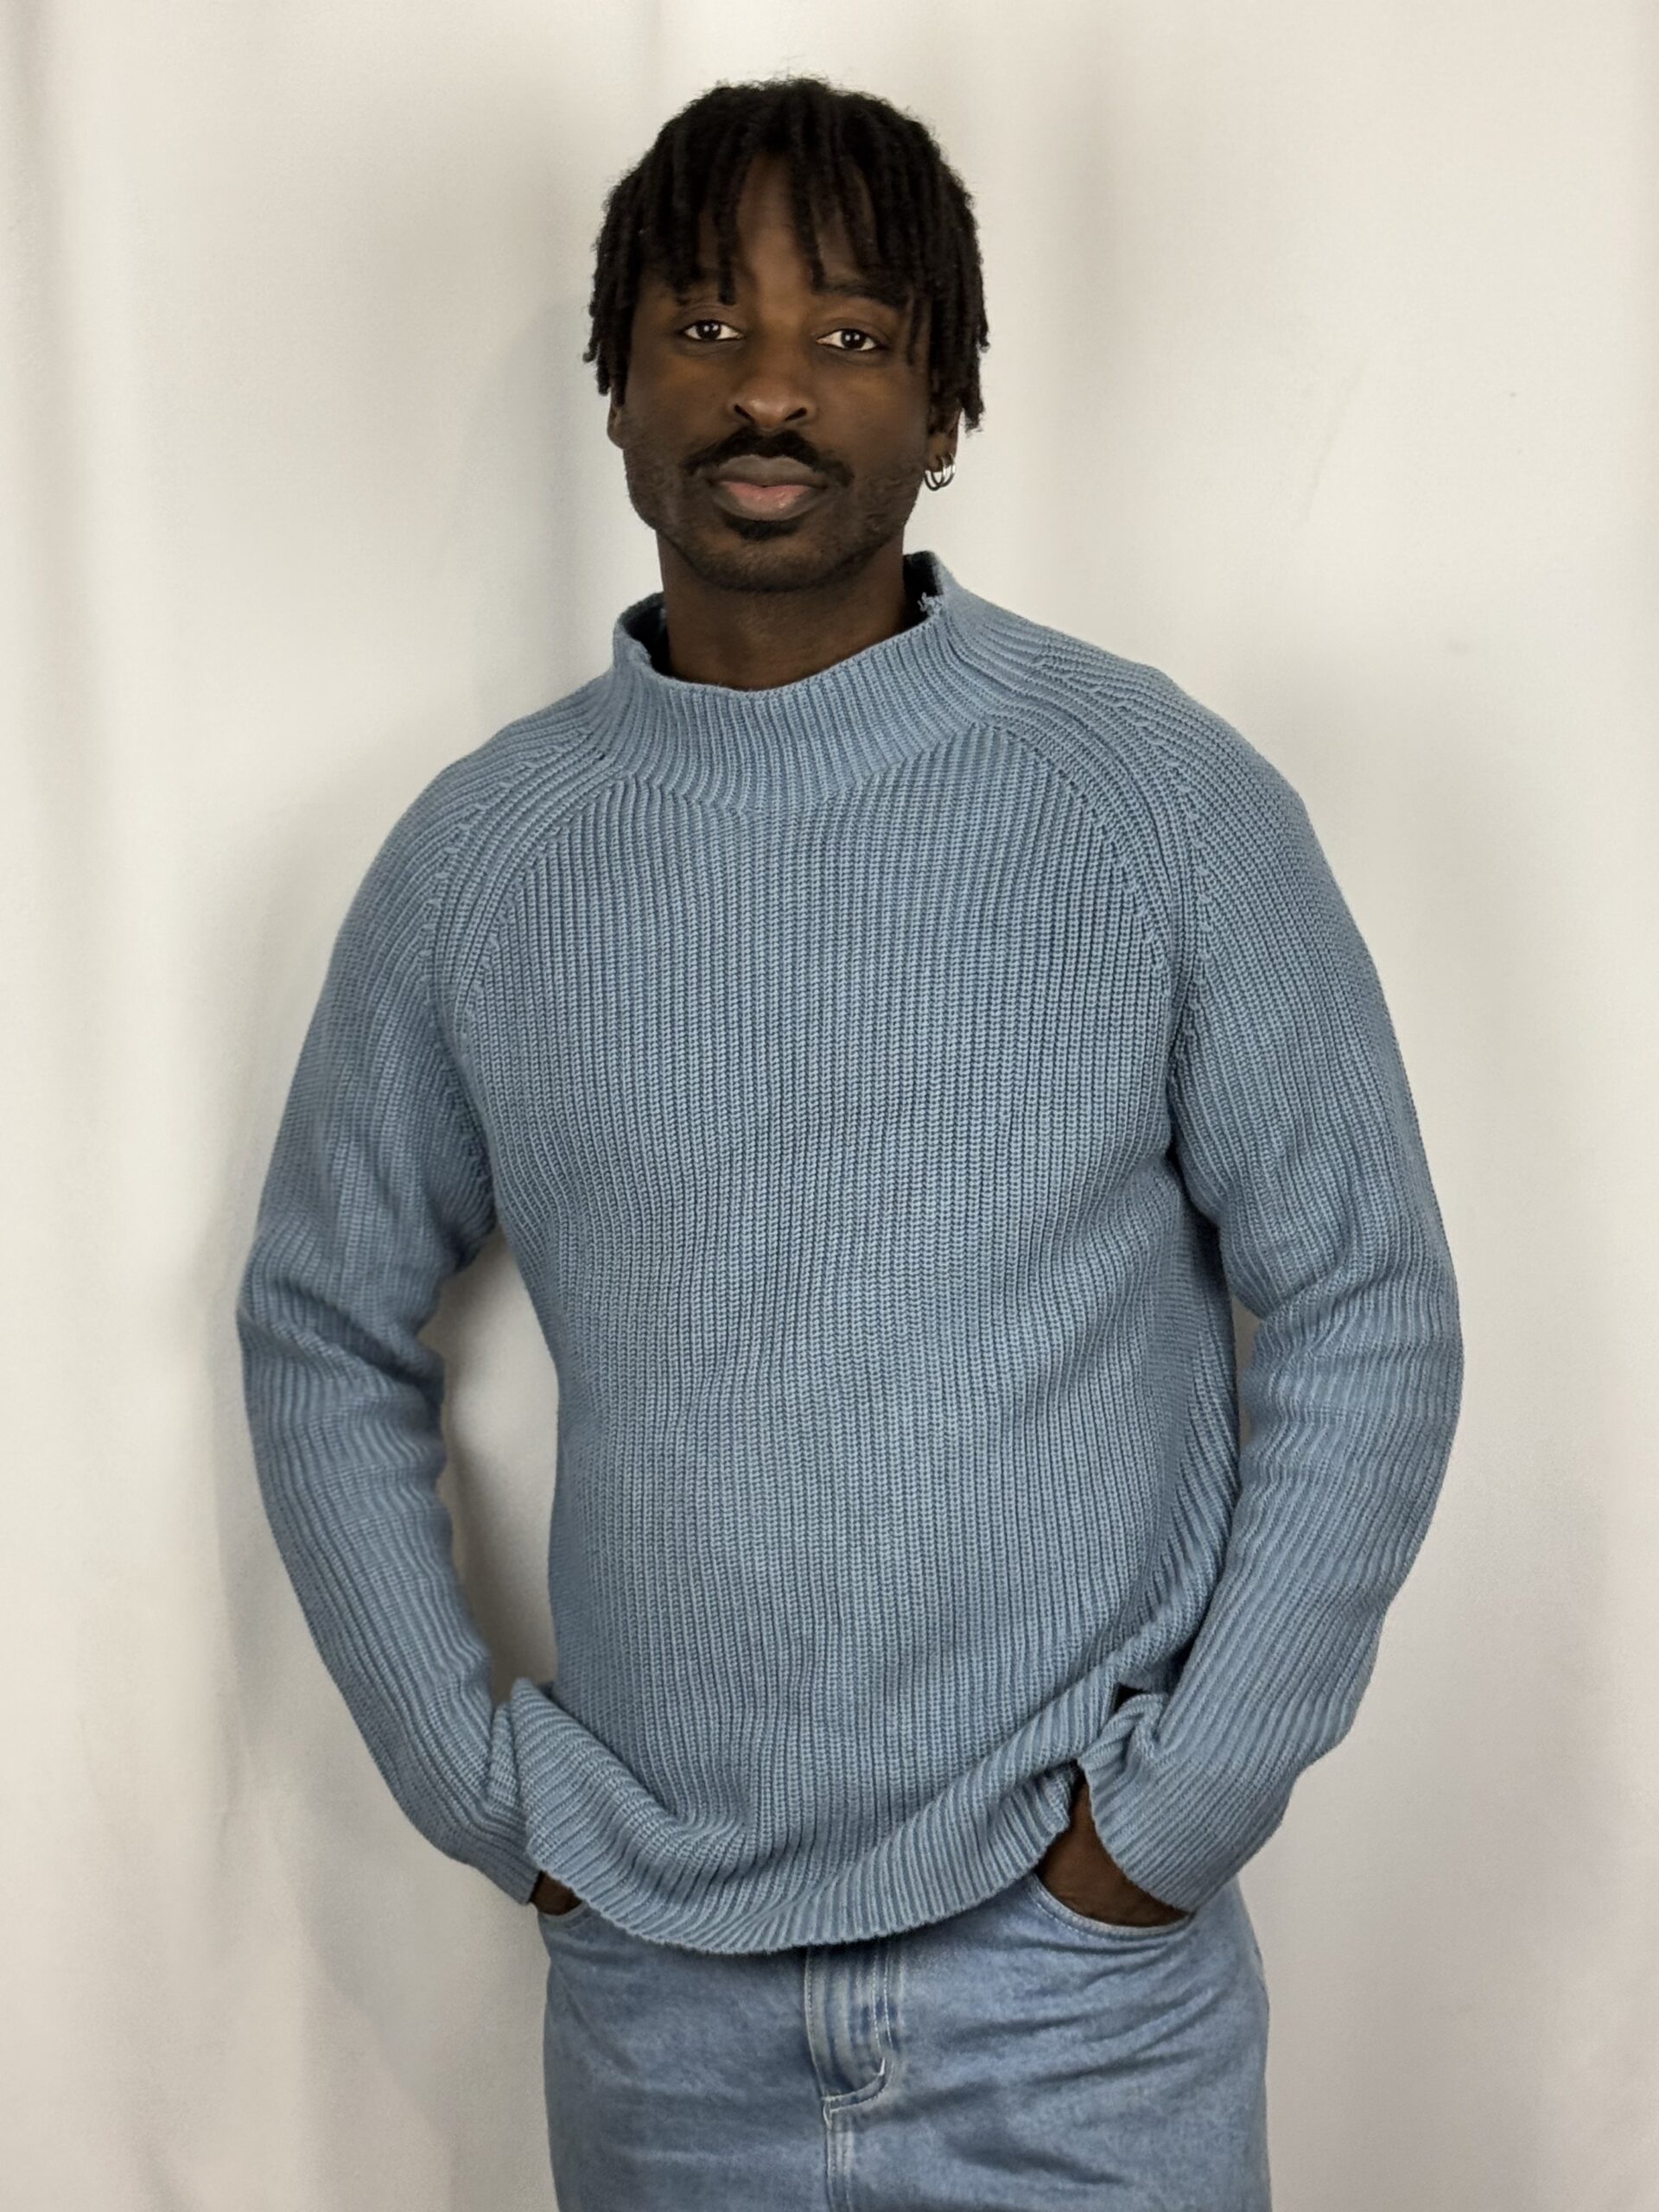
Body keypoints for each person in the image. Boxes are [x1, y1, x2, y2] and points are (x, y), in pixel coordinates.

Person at [235, 73, 1465, 2211]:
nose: (772, 390)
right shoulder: (482, 860)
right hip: (659, 2000)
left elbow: (1369, 1305)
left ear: (949, 401)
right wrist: (486, 1789)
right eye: (706, 326)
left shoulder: (1155, 801)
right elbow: (319, 1320)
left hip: (1078, 2002)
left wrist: (1170, 1822)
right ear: (618, 387)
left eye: (854, 333)